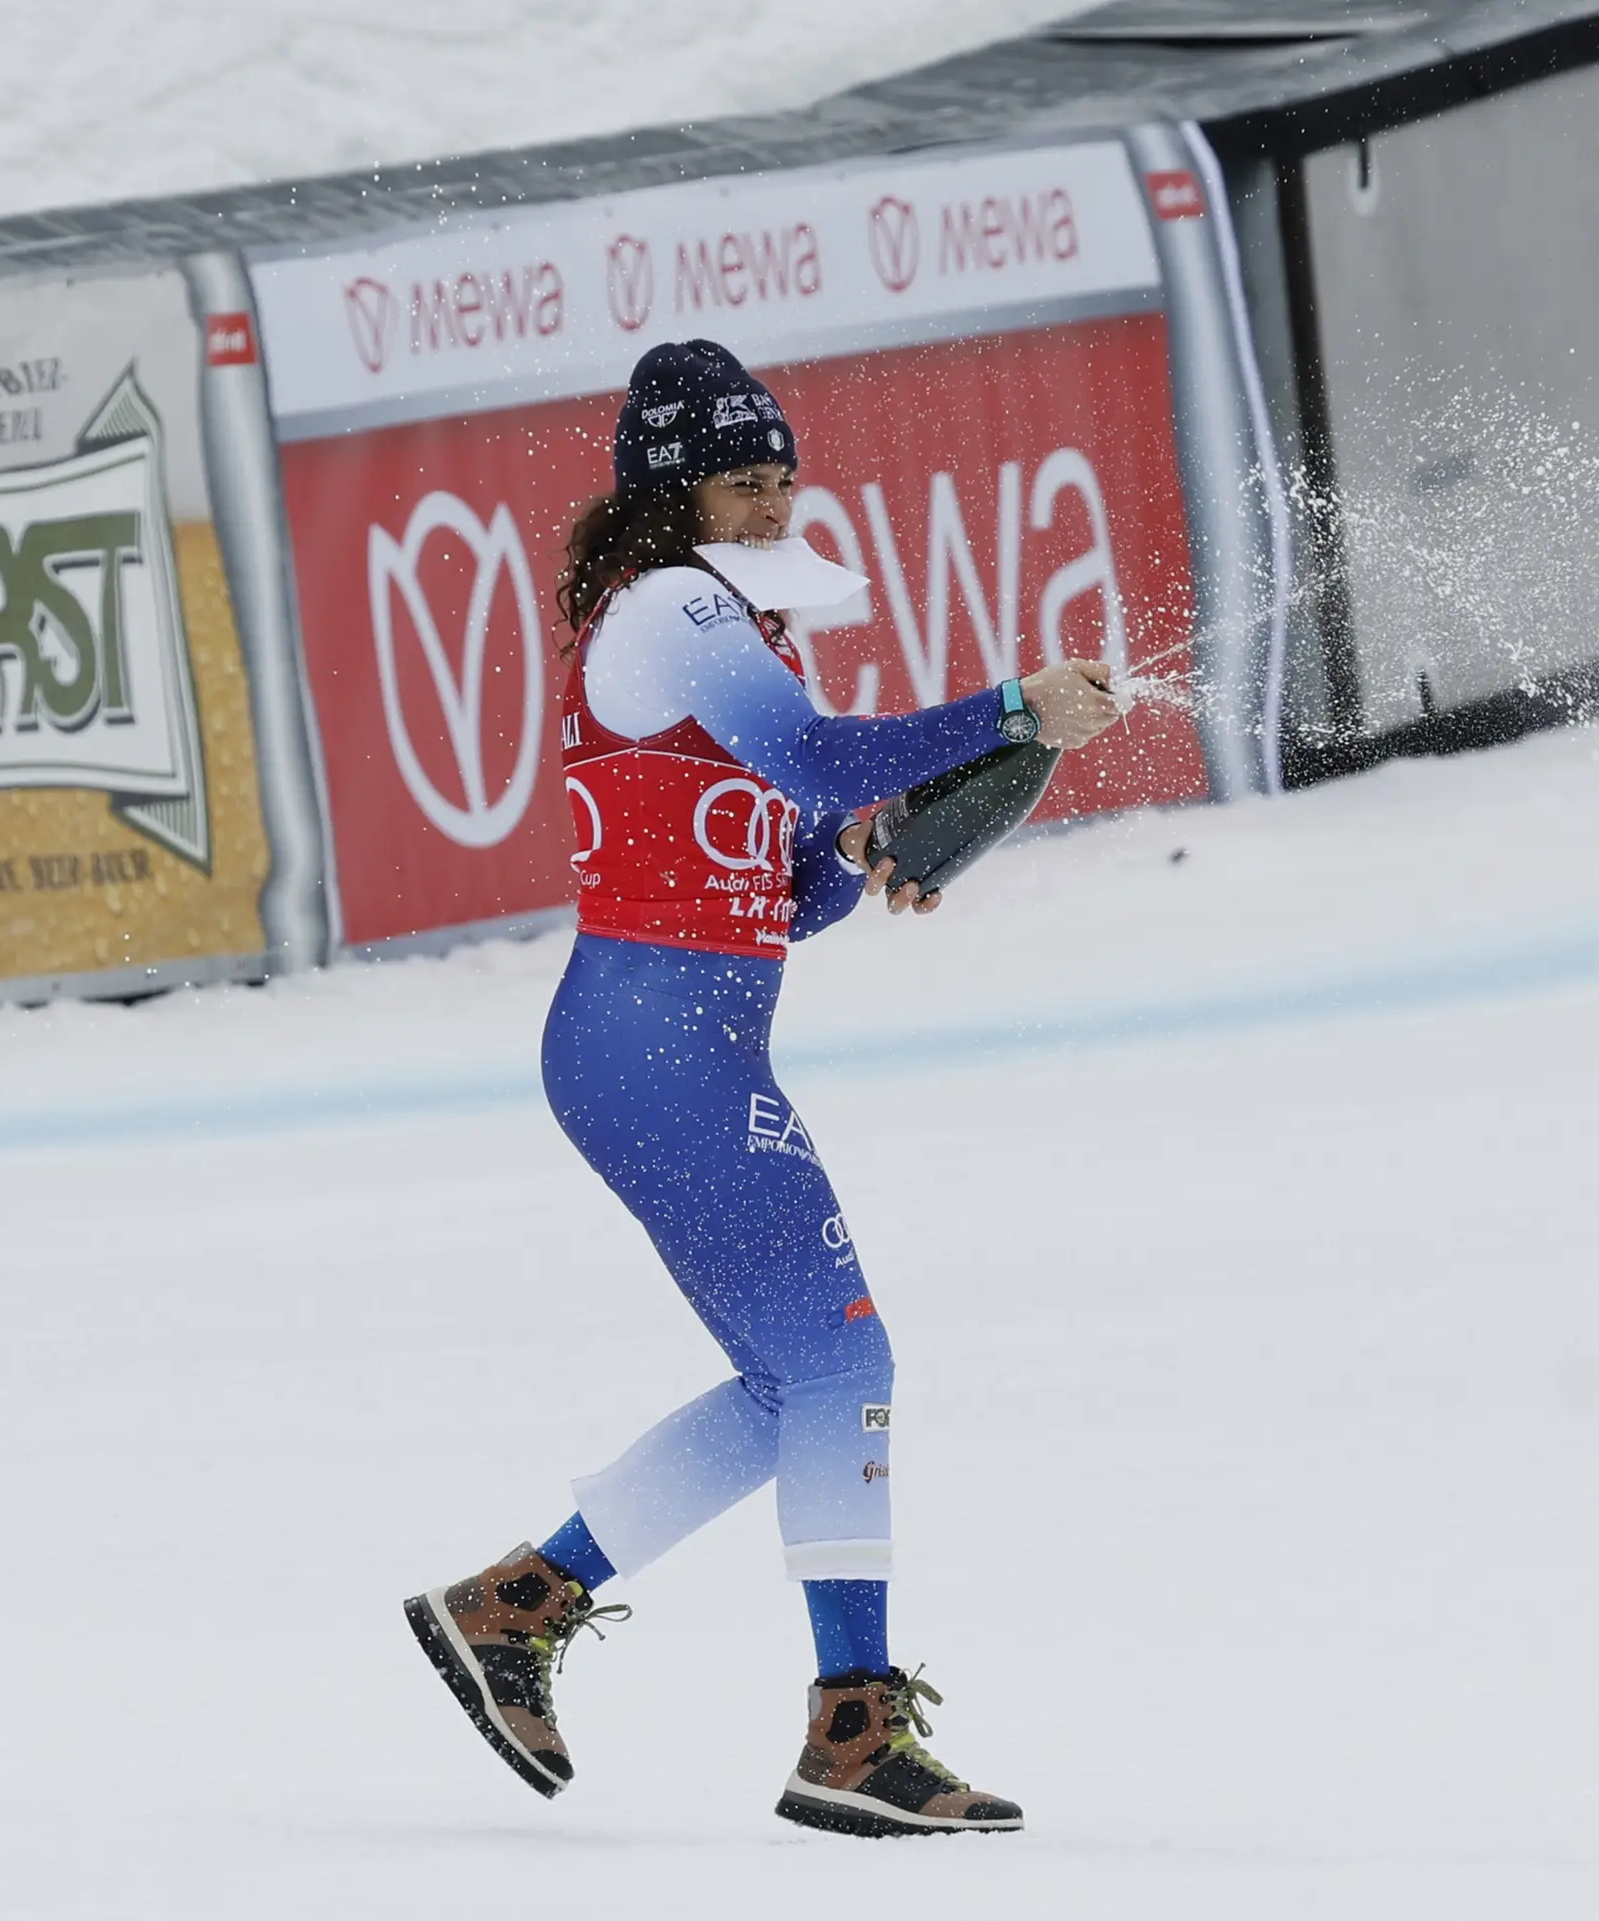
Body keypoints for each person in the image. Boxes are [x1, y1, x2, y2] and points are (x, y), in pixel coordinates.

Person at [402, 338, 1127, 1838]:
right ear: (671, 497)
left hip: (661, 1048)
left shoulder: (723, 624)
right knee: (845, 1362)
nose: (772, 502)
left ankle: (515, 1603)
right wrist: (1007, 712)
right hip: (655, 1052)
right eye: (744, 480)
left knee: (788, 1384)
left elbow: (778, 892)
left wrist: (868, 859)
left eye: (784, 476)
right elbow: (814, 750)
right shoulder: (674, 606)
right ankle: (849, 1734)